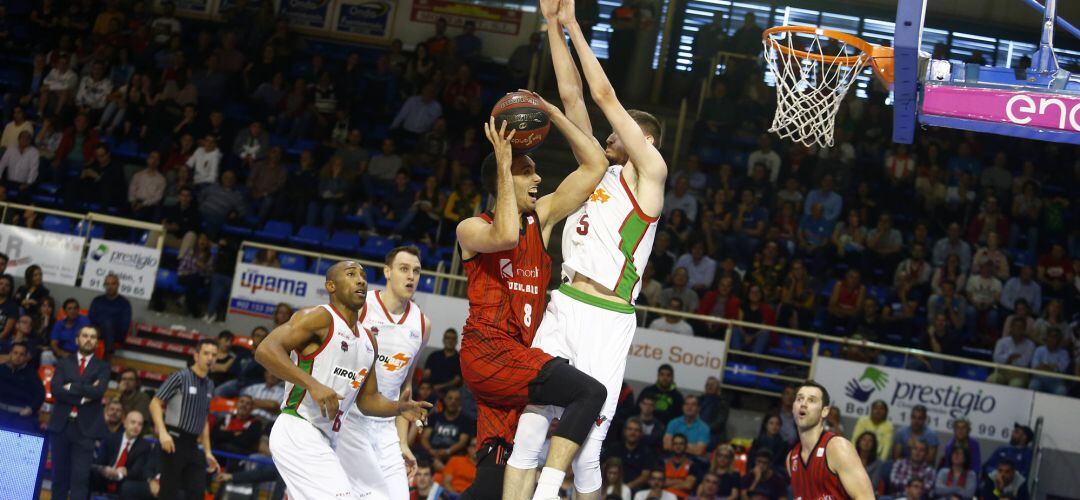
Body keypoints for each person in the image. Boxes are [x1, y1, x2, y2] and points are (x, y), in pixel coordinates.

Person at [506, 0, 670, 496]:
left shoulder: (652, 178)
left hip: (607, 316)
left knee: (589, 456)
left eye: (620, 131)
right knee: (530, 431)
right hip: (564, 303)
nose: (604, 135)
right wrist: (552, 25)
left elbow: (600, 93)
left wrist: (576, 23)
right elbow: (572, 93)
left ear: (641, 139)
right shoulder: (595, 167)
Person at [456, 85, 610, 497]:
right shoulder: (471, 228)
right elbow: (504, 234)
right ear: (503, 177)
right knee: (589, 391)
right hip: (489, 350)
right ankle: (551, 488)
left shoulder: (539, 220)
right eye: (529, 171)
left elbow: (595, 165)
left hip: (519, 359)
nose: (539, 177)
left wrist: (552, 113)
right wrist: (506, 165)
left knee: (493, 482)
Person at [254, 261, 430, 499]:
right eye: (351, 275)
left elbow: (368, 401)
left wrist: (399, 408)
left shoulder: (369, 340)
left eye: (363, 275)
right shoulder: (319, 317)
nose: (361, 280)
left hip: (329, 439)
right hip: (299, 429)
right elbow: (265, 350)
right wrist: (312, 384)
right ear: (331, 286)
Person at [338, 247, 432, 499]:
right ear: (387, 271)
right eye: (404, 269)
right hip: (349, 421)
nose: (411, 276)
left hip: (386, 428)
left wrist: (402, 442)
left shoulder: (422, 324)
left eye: (416, 271)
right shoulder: (362, 306)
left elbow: (405, 387)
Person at [150, 338, 222, 500]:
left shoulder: (210, 385)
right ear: (196, 355)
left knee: (197, 491)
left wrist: (208, 451)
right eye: (206, 353)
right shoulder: (180, 377)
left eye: (214, 354)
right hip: (174, 439)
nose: (210, 357)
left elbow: (204, 419)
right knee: (169, 492)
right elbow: (155, 402)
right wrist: (162, 432)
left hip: (193, 444)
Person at [48, 326, 111, 500]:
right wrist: (84, 396)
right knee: (58, 478)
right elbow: (55, 390)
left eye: (93, 337)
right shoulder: (63, 362)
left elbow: (99, 392)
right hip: (61, 426)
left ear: (97, 342)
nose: (89, 339)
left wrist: (71, 387)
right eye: (85, 336)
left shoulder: (103, 366)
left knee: (80, 480)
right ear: (77, 339)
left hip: (86, 430)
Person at [788, 381, 875, 499]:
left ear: (824, 411)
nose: (803, 404)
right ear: (793, 408)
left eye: (811, 400)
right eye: (799, 399)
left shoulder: (837, 447)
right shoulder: (791, 459)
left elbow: (866, 497)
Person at [93, 410, 155, 497]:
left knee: (128, 486)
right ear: (125, 423)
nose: (136, 426)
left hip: (124, 481)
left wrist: (122, 473)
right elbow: (99, 462)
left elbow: (137, 472)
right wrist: (105, 470)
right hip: (105, 477)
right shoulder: (111, 439)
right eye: (133, 422)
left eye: (140, 424)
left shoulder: (144, 446)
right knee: (88, 473)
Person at [419, 388, 473, 467]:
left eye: (456, 399)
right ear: (444, 399)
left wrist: (447, 451)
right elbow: (424, 438)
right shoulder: (434, 417)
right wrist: (431, 450)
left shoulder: (465, 420)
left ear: (460, 402)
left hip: (452, 455)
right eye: (450, 398)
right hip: (432, 452)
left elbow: (462, 442)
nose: (453, 401)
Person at [602, 417, 659, 491]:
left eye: (636, 430)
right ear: (625, 431)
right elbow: (604, 467)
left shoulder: (646, 452)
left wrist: (625, 489)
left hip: (636, 491)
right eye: (630, 429)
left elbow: (645, 476)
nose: (633, 433)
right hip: (612, 488)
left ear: (641, 433)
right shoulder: (614, 449)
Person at [0, 342, 45, 431]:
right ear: (10, 353)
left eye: (21, 354)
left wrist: (31, 408)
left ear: (26, 357)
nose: (18, 357)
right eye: (15, 353)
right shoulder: (1, 369)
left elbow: (40, 394)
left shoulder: (32, 374)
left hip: (21, 414)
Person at [88, 273, 132, 357]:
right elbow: (91, 318)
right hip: (97, 332)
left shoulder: (124, 303)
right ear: (104, 285)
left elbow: (124, 326)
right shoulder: (97, 300)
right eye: (107, 284)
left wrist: (108, 324)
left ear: (118, 285)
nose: (110, 286)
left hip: (116, 334)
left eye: (113, 284)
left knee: (108, 323)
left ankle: (107, 355)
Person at [424, 328, 462, 396]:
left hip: (449, 392)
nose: (450, 341)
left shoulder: (460, 359)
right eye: (448, 338)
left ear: (456, 341)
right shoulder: (434, 356)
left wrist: (440, 387)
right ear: (443, 340)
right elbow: (426, 375)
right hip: (431, 390)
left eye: (453, 339)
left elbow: (457, 380)